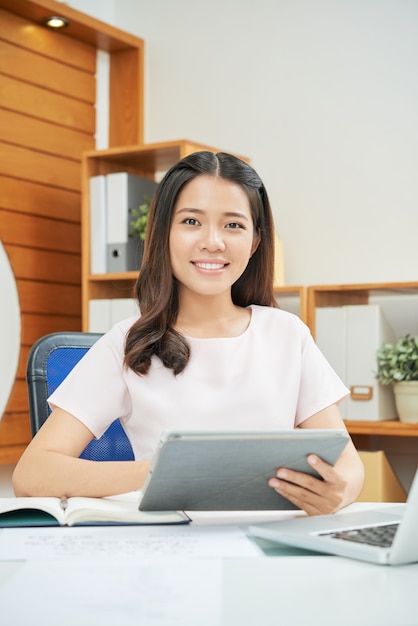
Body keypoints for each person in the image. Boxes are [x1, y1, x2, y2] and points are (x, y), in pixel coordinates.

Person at [13, 151, 364, 515]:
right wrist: (162, 472)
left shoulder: (287, 334)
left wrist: (340, 492)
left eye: (234, 225)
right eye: (192, 221)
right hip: (168, 547)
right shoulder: (127, 343)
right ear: (163, 232)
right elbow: (33, 473)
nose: (213, 242)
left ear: (255, 242)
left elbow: (348, 466)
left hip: (269, 543)